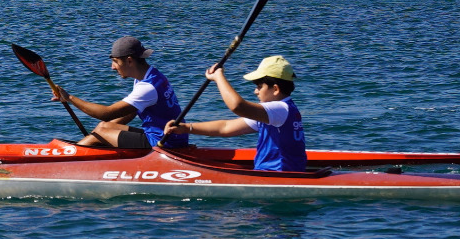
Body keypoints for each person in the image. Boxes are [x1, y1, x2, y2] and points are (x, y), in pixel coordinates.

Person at [162, 55, 306, 172]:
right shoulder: (277, 112)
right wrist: (187, 128)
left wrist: (219, 77)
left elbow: (238, 106)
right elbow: (225, 127)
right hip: (275, 173)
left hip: (275, 176)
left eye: (259, 87)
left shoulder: (279, 109)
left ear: (275, 89)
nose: (255, 91)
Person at [49, 36, 187, 149]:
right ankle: (80, 151)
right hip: (170, 136)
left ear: (129, 61)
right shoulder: (151, 75)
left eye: (115, 61)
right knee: (104, 127)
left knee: (102, 130)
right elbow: (131, 112)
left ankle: (69, 157)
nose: (112, 67)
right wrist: (109, 131)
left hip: (164, 143)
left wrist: (70, 98)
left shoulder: (147, 87)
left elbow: (107, 113)